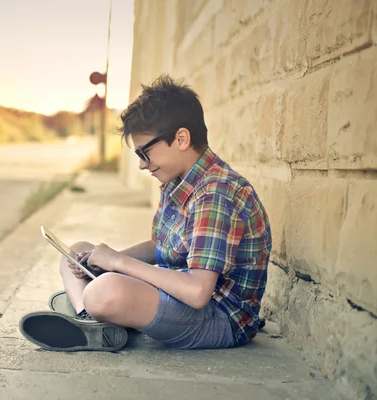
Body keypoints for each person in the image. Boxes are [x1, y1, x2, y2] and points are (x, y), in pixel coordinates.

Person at [19, 74, 272, 352]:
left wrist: (118, 263)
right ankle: (90, 319)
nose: (142, 165)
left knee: (106, 291)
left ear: (181, 138)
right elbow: (161, 246)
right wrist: (100, 261)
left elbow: (198, 292)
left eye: (144, 153)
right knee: (79, 250)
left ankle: (91, 308)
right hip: (179, 296)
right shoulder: (178, 181)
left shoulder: (215, 193)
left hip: (219, 317)